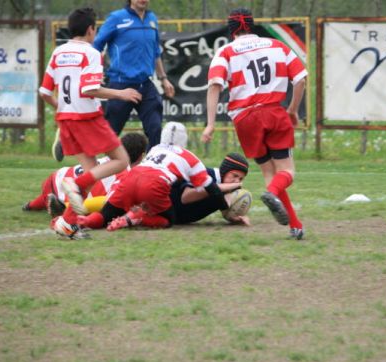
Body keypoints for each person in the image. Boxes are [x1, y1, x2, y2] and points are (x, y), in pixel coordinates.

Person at [201, 8, 307, 240]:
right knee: (286, 171)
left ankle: (295, 226)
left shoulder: (225, 52)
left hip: (245, 118)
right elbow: (300, 79)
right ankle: (271, 194)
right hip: (273, 112)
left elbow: (214, 87)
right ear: (252, 26)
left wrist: (210, 124)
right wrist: (292, 110)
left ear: (231, 31)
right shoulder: (277, 45)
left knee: (270, 172)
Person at [39, 7, 142, 216]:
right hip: (87, 118)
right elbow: (90, 89)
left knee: (92, 172)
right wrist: (121, 94)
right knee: (121, 161)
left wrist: (62, 108)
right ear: (91, 30)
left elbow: (44, 92)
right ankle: (75, 184)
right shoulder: (91, 53)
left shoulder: (58, 52)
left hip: (65, 119)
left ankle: (67, 224)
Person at [76, 122, 228, 234]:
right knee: (169, 220)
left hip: (130, 178)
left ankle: (83, 221)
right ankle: (136, 218)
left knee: (105, 215)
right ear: (184, 140)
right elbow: (211, 188)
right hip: (154, 183)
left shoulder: (154, 149)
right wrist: (226, 210)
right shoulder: (189, 157)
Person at [92, 0, 175, 148]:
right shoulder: (116, 18)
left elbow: (156, 52)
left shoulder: (152, 19)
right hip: (120, 84)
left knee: (155, 128)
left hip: (145, 84)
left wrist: (164, 78)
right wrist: (93, 71)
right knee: (110, 133)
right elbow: (96, 46)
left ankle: (152, 167)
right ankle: (101, 166)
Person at [109, 152, 250, 229]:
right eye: (234, 176)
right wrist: (227, 187)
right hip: (156, 201)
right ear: (225, 171)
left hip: (169, 216)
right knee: (105, 211)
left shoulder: (227, 188)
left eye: (241, 178)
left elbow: (223, 207)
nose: (237, 182)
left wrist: (234, 217)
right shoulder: (204, 173)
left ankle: (130, 218)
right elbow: (186, 197)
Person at [22, 132, 148, 217]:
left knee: (49, 194)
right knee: (108, 202)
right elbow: (109, 203)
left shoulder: (110, 160)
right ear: (142, 156)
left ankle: (31, 205)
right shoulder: (126, 173)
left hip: (56, 178)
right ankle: (63, 207)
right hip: (69, 193)